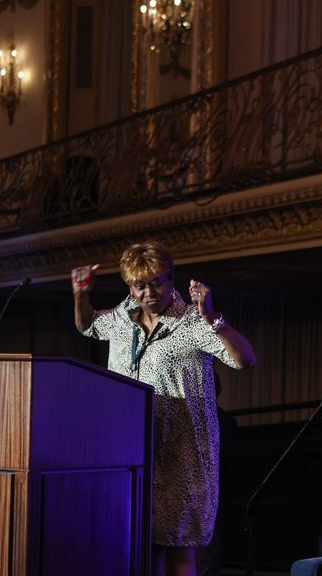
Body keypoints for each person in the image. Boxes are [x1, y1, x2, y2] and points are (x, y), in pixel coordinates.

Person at [72, 241, 256, 576]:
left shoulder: (192, 322)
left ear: (171, 279)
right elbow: (87, 325)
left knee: (177, 548)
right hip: (128, 452)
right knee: (137, 549)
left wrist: (214, 319)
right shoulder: (120, 320)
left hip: (181, 454)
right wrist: (80, 295)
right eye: (139, 285)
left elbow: (245, 360)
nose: (148, 292)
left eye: (156, 282)